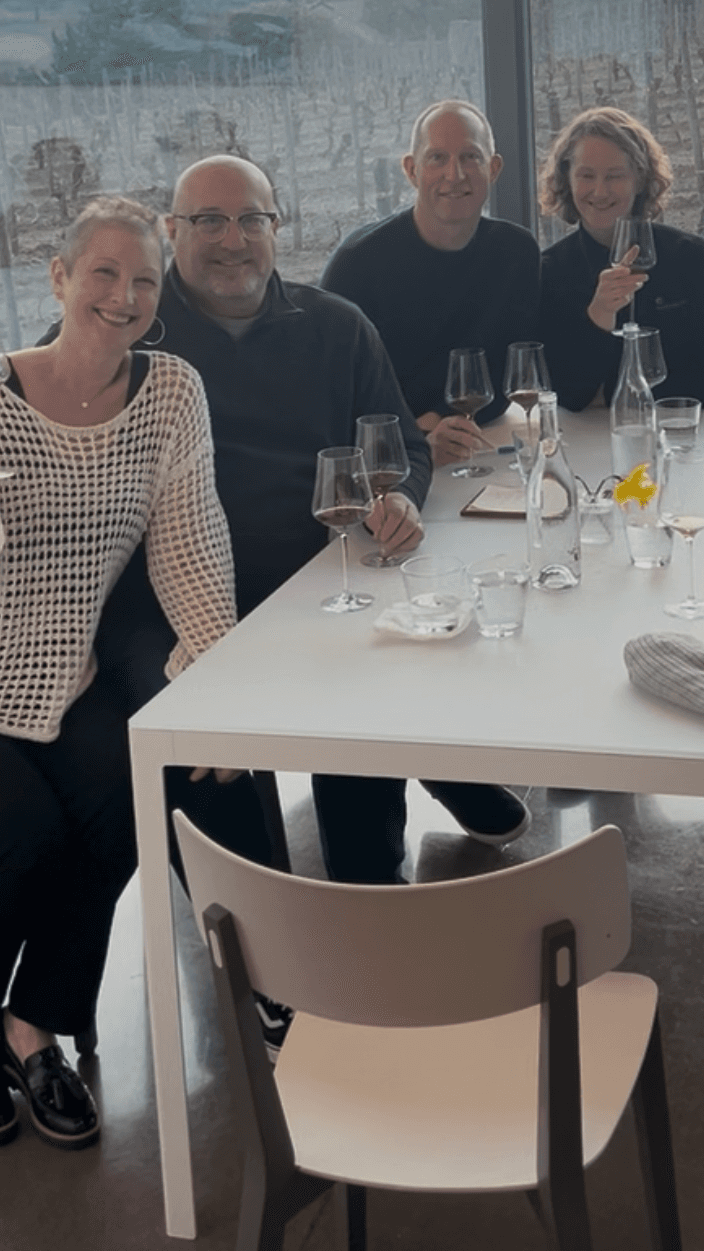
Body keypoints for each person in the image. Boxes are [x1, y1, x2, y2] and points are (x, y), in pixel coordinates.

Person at [154, 155, 530, 891]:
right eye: (208, 221)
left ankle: (369, 891)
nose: (233, 239)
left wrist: (403, 499)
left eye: (251, 219)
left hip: (322, 569)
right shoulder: (137, 330)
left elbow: (401, 447)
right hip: (188, 592)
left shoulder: (336, 326)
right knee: (213, 736)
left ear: (276, 227)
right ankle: (265, 946)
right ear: (171, 231)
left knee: (377, 658)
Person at [1, 198, 236, 1150]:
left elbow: (190, 548)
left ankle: (31, 1028)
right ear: (57, 278)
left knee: (129, 800)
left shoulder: (171, 392)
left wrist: (220, 699)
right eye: (102, 273)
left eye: (142, 280)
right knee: (28, 837)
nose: (124, 295)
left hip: (75, 676)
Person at [321, 100, 540, 468]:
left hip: (483, 448)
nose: (454, 175)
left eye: (470, 157)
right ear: (411, 170)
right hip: (388, 466)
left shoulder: (517, 253)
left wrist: (438, 423)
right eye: (437, 158)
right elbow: (333, 399)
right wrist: (416, 439)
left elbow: (514, 369)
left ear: (494, 168)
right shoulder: (358, 263)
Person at [538, 107, 704, 409]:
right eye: (586, 175)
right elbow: (568, 396)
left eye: (615, 176)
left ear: (640, 179)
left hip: (693, 440)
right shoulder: (550, 270)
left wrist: (609, 395)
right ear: (566, 180)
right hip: (594, 449)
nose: (599, 190)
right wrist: (598, 317)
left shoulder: (693, 258)